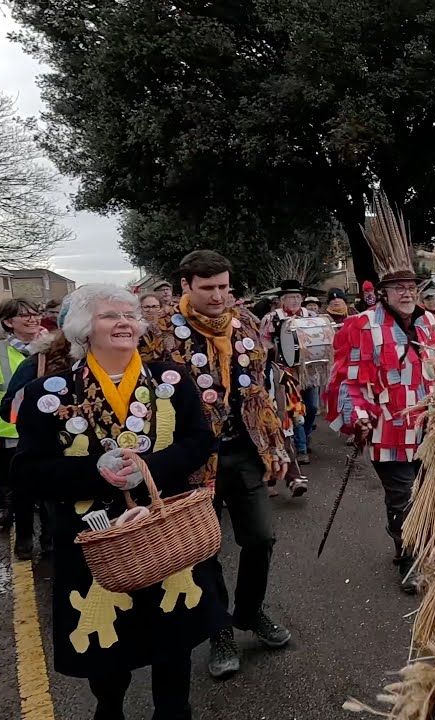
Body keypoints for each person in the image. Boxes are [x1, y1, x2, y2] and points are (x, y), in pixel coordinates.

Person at [12, 284, 225, 720]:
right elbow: (26, 471)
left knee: (173, 636)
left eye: (129, 314)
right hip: (95, 541)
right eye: (110, 316)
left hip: (161, 530)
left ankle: (174, 710)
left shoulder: (170, 380)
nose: (125, 322)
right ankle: (109, 708)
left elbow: (200, 440)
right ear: (83, 330)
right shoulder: (47, 394)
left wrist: (151, 466)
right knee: (107, 643)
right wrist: (95, 472)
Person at [140, 250, 291, 680]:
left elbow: (259, 389)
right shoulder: (158, 332)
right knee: (203, 549)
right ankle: (218, 629)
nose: (219, 296)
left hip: (244, 451)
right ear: (185, 286)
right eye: (208, 288)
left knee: (261, 536)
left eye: (224, 286)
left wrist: (275, 445)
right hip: (191, 461)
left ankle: (250, 612)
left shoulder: (243, 323)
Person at [328, 192, 435, 594]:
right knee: (404, 498)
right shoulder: (360, 326)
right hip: (390, 428)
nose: (407, 292)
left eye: (411, 285)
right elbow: (348, 380)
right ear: (382, 292)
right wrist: (357, 416)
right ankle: (410, 556)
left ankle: (427, 545)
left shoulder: (432, 322)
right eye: (397, 287)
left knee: (433, 493)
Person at [0, 298, 52, 559]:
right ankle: (25, 538)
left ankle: (49, 538)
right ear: (8, 322)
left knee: (49, 488)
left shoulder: (53, 348)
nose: (32, 319)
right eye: (24, 316)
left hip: (47, 431)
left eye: (35, 314)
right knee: (21, 491)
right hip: (9, 432)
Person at [261, 279, 322, 467]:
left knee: (311, 407)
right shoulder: (272, 318)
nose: (295, 300)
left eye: (297, 297)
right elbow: (264, 342)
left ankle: (306, 435)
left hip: (308, 368)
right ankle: (301, 448)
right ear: (282, 300)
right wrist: (278, 350)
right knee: (295, 408)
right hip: (285, 370)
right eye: (290, 297)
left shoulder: (310, 315)